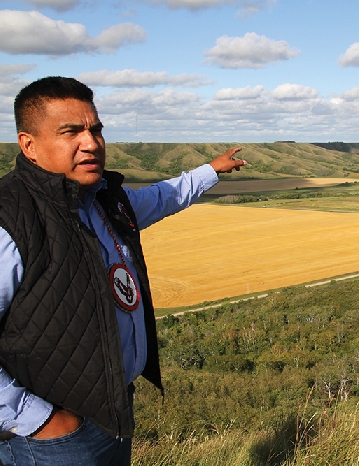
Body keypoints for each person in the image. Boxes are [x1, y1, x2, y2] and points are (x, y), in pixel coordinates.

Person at [0, 76, 247, 465]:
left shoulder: (104, 201)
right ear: (28, 145)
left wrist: (211, 170)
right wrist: (36, 419)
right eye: (71, 132)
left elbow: (164, 196)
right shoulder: (10, 220)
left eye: (95, 129)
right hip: (51, 438)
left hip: (113, 408)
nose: (90, 143)